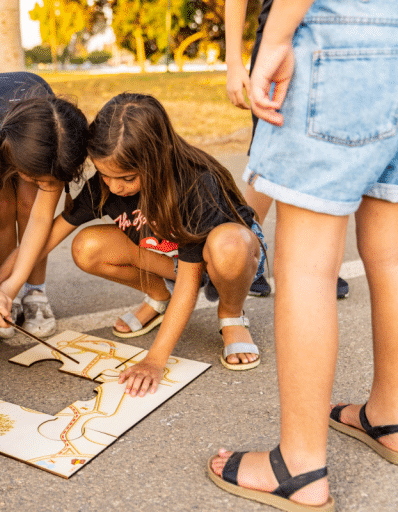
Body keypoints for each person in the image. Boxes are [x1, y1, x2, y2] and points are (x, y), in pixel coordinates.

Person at [208, 1, 398, 510]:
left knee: (307, 267)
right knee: (392, 256)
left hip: (340, 36)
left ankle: (299, 467)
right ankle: (391, 416)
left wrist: (274, 38)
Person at [0, 94, 264, 391]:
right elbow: (42, 241)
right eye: (104, 175)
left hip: (224, 260)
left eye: (126, 177)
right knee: (86, 247)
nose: (114, 186)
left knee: (229, 245)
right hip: (168, 255)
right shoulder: (107, 182)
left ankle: (231, 314)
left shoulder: (194, 185)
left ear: (156, 161)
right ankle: (159, 295)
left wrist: (154, 360)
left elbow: (190, 283)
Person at [224, 0, 349, 299]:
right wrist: (233, 62)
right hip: (282, 40)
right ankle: (241, 251)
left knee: (330, 159)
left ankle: (321, 261)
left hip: (342, 39)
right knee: (271, 157)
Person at [0, 72, 88, 337]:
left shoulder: (60, 142)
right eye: (38, 178)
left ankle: (34, 292)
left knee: (29, 204)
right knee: (3, 206)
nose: (44, 184)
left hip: (32, 131)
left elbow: (40, 219)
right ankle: (5, 297)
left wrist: (13, 284)